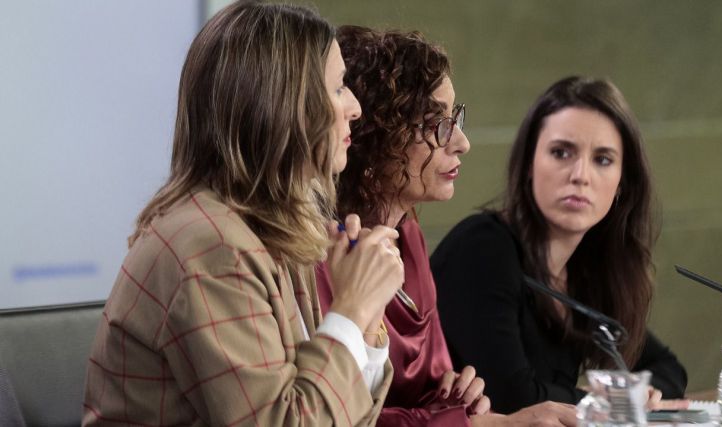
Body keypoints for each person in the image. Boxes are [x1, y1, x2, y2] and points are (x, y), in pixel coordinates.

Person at [82, 3, 405, 426]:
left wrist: (365, 323)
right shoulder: (212, 245)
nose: (356, 107)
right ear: (281, 105)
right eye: (339, 87)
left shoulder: (266, 229)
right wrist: (351, 310)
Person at [316, 26, 578, 427]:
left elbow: (433, 394)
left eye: (454, 118)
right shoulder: (323, 256)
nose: (461, 142)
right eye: (436, 124)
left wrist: (459, 399)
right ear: (375, 138)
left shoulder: (410, 236)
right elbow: (340, 418)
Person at [431, 76, 688, 415]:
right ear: (528, 166)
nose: (580, 174)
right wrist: (612, 399)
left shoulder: (586, 271)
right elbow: (515, 399)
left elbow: (667, 368)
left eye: (603, 159)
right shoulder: (483, 248)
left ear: (622, 184)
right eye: (561, 152)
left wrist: (644, 393)